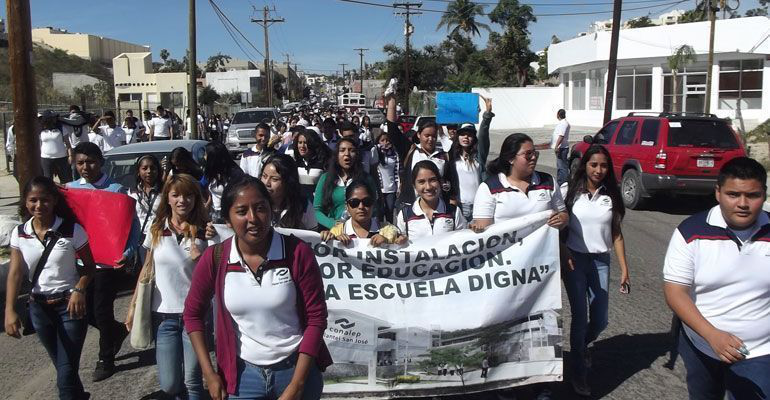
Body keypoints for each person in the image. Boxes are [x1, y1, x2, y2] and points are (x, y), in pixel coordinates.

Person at [183, 176, 331, 400]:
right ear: (228, 219)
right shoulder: (215, 258)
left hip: (296, 372)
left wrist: (297, 385)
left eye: (260, 208)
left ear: (271, 210)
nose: (253, 218)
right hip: (243, 379)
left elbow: (317, 318)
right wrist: (209, 373)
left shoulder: (297, 252)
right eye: (242, 211)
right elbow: (192, 314)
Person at [663, 157, 770, 400]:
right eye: (733, 194)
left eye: (752, 195)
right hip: (701, 345)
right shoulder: (690, 232)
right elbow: (675, 292)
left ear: (763, 195)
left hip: (760, 352)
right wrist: (712, 335)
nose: (742, 203)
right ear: (718, 193)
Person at [5, 176, 96, 400]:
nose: (39, 206)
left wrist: (79, 289)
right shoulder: (20, 233)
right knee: (64, 368)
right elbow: (15, 273)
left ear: (54, 201)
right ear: (25, 202)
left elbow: (90, 268)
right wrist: (10, 310)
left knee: (65, 375)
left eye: (44, 200)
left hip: (70, 307)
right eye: (33, 200)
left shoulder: (72, 230)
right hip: (39, 309)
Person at [125, 174, 211, 399]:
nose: (183, 200)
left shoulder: (206, 231)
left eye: (189, 195)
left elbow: (217, 275)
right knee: (170, 384)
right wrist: (133, 306)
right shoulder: (156, 229)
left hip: (195, 316)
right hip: (164, 317)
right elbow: (146, 269)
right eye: (176, 195)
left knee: (193, 380)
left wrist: (200, 259)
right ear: (168, 199)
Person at [66, 142, 140, 382]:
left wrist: (128, 253)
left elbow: (133, 227)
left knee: (102, 309)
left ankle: (105, 359)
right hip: (79, 263)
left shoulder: (116, 189)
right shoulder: (70, 189)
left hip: (108, 265)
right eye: (80, 163)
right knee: (85, 313)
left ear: (101, 162)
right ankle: (116, 332)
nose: (85, 167)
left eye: (90, 162)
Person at [561, 145, 631, 396]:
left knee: (600, 319)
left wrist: (624, 268)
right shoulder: (568, 192)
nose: (599, 170)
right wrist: (562, 250)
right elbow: (556, 226)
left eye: (603, 165)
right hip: (574, 260)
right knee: (580, 316)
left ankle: (580, 346)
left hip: (601, 260)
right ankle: (578, 373)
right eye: (593, 164)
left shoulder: (611, 195)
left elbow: (617, 233)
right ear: (585, 166)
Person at [470, 133, 568, 233]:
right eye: (528, 154)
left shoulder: (548, 181)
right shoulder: (489, 188)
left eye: (535, 153)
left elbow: (563, 214)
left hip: (543, 248)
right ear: (511, 159)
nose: (534, 157)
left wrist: (562, 219)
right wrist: (477, 228)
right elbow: (484, 229)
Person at [313, 137, 377, 229]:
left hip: (361, 232)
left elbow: (374, 208)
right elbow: (317, 210)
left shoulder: (366, 179)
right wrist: (332, 224)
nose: (347, 154)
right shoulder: (325, 178)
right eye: (342, 150)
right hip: (333, 233)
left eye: (351, 150)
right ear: (336, 155)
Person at [446, 97, 493, 221]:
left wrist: (487, 115)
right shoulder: (451, 157)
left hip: (480, 206)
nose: (466, 137)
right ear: (457, 136)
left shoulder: (478, 157)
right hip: (460, 206)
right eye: (462, 134)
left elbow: (483, 135)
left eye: (470, 134)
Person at [320, 180, 405, 246]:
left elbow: (404, 250)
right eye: (354, 202)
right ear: (347, 206)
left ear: (373, 204)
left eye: (367, 202)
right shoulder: (336, 232)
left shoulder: (389, 230)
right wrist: (333, 241)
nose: (361, 207)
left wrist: (388, 243)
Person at [396, 160, 466, 240]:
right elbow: (398, 245)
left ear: (440, 182)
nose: (428, 187)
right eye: (421, 182)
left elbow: (463, 240)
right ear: (414, 185)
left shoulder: (454, 212)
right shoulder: (405, 215)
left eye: (433, 180)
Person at [261, 154, 318, 231]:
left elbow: (313, 236)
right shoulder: (255, 202)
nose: (267, 183)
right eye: (264, 176)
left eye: (274, 179)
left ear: (288, 182)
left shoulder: (304, 205)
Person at [202, 141, 244, 224]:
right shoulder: (210, 172)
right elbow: (202, 186)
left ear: (213, 157)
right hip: (214, 215)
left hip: (230, 215)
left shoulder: (235, 174)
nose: (204, 157)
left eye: (206, 154)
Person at [127, 155, 163, 243]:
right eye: (144, 168)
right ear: (138, 171)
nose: (149, 171)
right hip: (136, 238)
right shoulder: (131, 192)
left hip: (158, 237)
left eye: (153, 168)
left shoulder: (165, 191)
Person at [292, 129, 328, 200]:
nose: (302, 146)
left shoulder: (324, 163)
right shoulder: (295, 164)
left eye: (305, 143)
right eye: (300, 142)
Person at [373, 130, 400, 224]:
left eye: (387, 140)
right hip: (380, 189)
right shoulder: (377, 153)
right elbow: (373, 148)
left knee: (390, 212)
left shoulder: (394, 154)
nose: (386, 142)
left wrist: (399, 186)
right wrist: (381, 147)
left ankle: (390, 233)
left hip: (391, 189)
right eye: (382, 140)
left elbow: (397, 171)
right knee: (379, 213)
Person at [40, 111, 73, 183]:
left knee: (65, 180)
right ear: (47, 119)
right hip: (46, 159)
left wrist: (70, 156)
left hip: (61, 158)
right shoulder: (40, 130)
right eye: (53, 117)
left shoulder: (61, 128)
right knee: (47, 180)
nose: (55, 119)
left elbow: (68, 143)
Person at [551, 109, 571, 186]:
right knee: (561, 166)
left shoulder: (563, 124)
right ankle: (562, 181)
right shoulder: (563, 123)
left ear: (558, 115)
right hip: (562, 147)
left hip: (561, 148)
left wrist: (556, 146)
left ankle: (562, 183)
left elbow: (561, 136)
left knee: (561, 167)